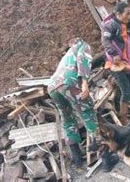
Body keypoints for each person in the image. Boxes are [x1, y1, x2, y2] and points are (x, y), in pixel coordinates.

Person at [47, 38, 118, 170]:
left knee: (67, 119)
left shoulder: (67, 56)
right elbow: (82, 61)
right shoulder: (83, 45)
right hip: (70, 84)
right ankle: (106, 161)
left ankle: (77, 159)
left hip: (52, 87)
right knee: (89, 117)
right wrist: (84, 83)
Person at [101, 1, 130, 125]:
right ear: (118, 13)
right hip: (115, 64)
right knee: (127, 91)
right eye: (127, 14)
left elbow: (126, 41)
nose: (129, 16)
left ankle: (125, 105)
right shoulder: (110, 25)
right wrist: (114, 54)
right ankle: (123, 119)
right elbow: (105, 40)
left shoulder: (123, 25)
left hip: (126, 62)